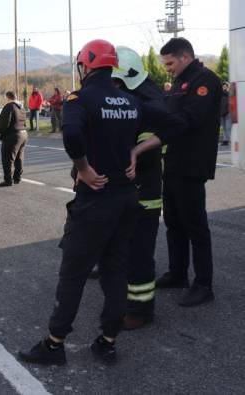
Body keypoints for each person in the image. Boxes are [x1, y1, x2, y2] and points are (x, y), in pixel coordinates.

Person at [18, 39, 185, 366]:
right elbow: (176, 124)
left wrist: (84, 169)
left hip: (95, 198)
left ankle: (54, 344)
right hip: (126, 198)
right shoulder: (129, 100)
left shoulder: (80, 99)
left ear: (86, 66)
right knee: (115, 268)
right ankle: (108, 341)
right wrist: (136, 151)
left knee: (73, 273)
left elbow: (72, 135)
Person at [150, 37, 222, 306]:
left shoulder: (205, 80)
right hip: (174, 162)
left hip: (192, 164)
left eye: (170, 63)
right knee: (173, 221)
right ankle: (178, 272)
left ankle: (203, 284)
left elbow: (189, 119)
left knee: (195, 225)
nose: (167, 68)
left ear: (184, 57)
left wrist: (156, 136)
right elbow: (168, 111)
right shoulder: (180, 82)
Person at [111, 46, 168, 329]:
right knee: (127, 249)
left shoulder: (149, 102)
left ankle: (141, 311)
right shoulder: (140, 94)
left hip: (144, 191)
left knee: (139, 253)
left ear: (124, 78)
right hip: (132, 189)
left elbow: (150, 147)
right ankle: (130, 301)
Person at [0, 91, 27, 187]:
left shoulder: (9, 106)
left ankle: (8, 180)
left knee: (8, 158)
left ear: (7, 97)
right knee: (19, 157)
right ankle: (17, 178)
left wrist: (0, 132)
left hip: (13, 135)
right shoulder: (21, 107)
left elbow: (5, 122)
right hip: (23, 133)